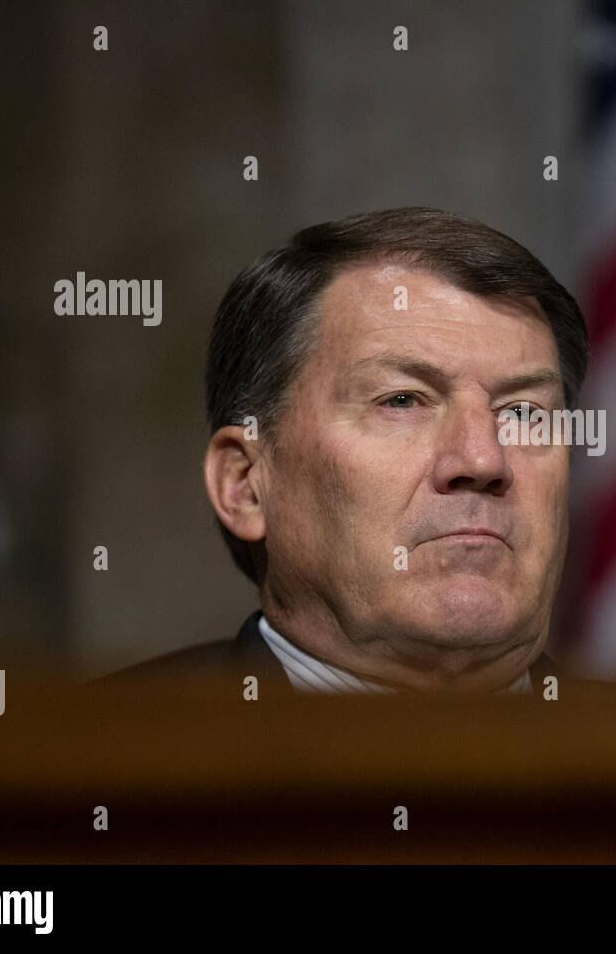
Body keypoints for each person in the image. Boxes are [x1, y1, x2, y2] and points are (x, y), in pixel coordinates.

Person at [104, 207, 590, 697]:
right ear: (246, 485)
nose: (483, 461)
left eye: (525, 412)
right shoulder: (82, 758)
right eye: (401, 401)